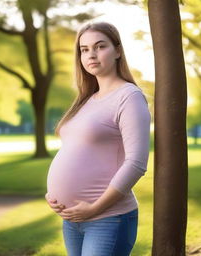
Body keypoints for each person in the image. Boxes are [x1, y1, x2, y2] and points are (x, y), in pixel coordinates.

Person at [45, 21, 151, 256]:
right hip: (73, 219)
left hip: (107, 218)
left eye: (100, 46)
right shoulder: (86, 100)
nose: (91, 54)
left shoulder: (129, 96)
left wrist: (94, 208)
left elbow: (136, 163)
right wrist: (54, 194)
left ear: (118, 50)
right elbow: (76, 150)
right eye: (84, 49)